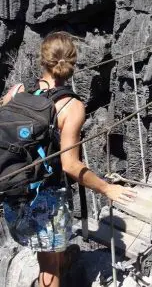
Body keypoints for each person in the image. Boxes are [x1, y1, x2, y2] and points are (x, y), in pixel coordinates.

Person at [1, 32, 136, 287]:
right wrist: (108, 188)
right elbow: (71, 166)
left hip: (13, 200)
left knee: (50, 251)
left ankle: (62, 257)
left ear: (42, 60)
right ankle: (56, 263)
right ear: (72, 64)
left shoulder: (16, 92)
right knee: (49, 270)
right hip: (46, 201)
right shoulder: (71, 107)